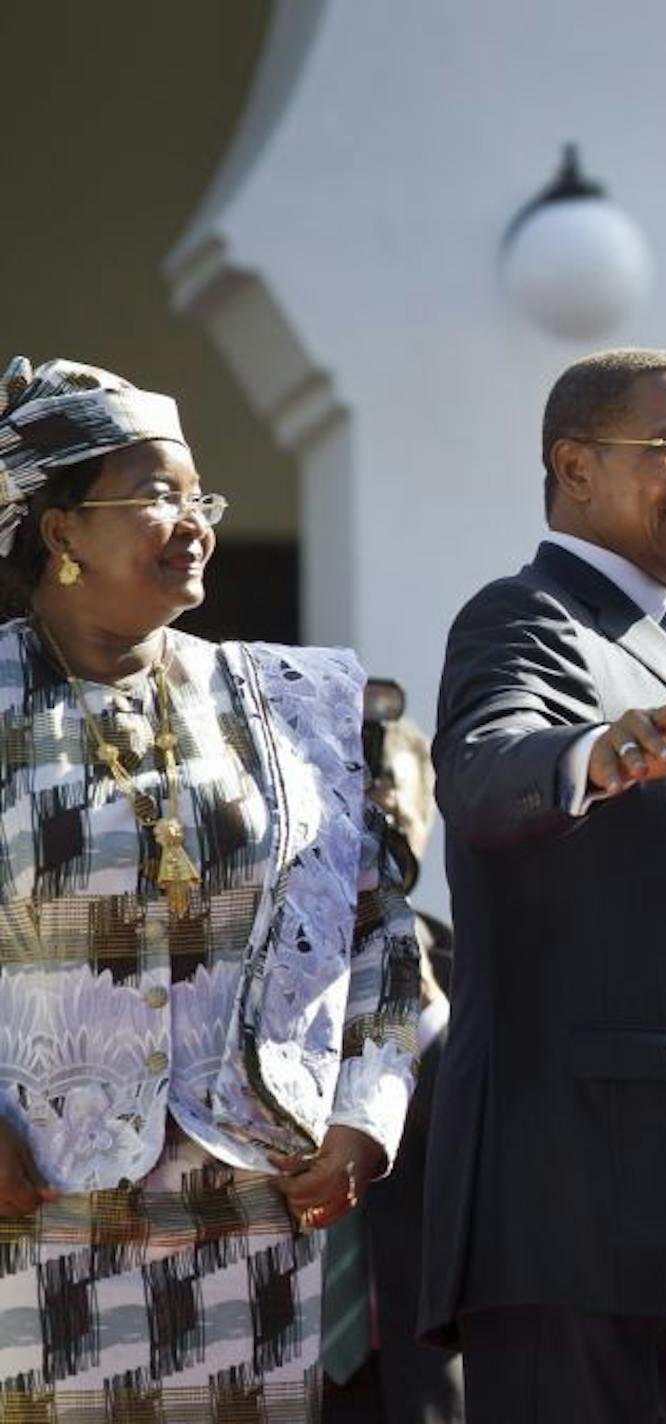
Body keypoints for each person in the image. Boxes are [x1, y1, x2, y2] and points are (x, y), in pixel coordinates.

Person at [0, 356, 421, 1419]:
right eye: (157, 496)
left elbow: (382, 930)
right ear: (61, 530)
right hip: (34, 1213)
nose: (193, 522)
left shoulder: (291, 701)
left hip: (248, 1222)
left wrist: (367, 1114)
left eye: (201, 497)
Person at [420, 348, 666, 1423]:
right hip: (583, 1223)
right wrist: (592, 752)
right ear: (574, 464)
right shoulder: (527, 618)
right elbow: (485, 764)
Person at [324, 692, 465, 1422]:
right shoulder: (264, 972)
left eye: (392, 806)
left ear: (428, 815)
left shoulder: (480, 982)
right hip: (289, 1364)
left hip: (432, 1374)